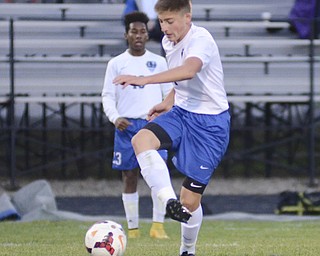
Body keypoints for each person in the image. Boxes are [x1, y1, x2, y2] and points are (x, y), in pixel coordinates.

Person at [113, 1, 230, 255]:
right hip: (181, 114)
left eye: (169, 21)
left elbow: (188, 71)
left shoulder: (202, 40)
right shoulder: (168, 42)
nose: (164, 28)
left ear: (187, 18)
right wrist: (167, 103)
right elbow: (180, 83)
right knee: (141, 140)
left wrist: (143, 80)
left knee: (190, 202)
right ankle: (167, 201)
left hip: (210, 125)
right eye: (161, 22)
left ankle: (187, 249)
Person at [101, 11, 172, 239]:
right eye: (134, 31)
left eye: (143, 31)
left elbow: (168, 93)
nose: (139, 35)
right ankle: (133, 229)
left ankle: (158, 226)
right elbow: (107, 95)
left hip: (153, 126)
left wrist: (164, 116)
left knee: (157, 174)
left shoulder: (159, 62)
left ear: (147, 35)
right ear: (126, 35)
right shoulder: (116, 64)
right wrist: (115, 117)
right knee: (129, 175)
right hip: (127, 126)